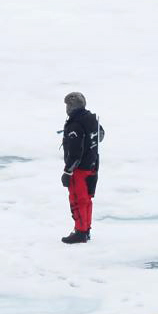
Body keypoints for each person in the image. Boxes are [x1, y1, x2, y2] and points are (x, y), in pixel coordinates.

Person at [59, 91, 104, 244]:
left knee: (78, 200)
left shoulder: (75, 124)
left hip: (79, 170)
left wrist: (68, 172)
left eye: (67, 105)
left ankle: (80, 232)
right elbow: (101, 134)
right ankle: (85, 230)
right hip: (92, 165)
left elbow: (75, 152)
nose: (66, 108)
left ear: (72, 106)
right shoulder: (91, 118)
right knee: (87, 200)